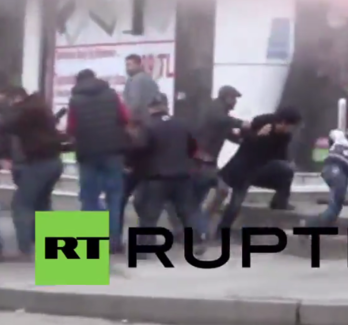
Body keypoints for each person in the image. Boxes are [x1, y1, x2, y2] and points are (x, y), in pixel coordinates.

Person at [131, 93, 205, 256]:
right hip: (182, 176)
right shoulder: (182, 124)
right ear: (166, 106)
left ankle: (144, 248)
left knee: (149, 213)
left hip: (157, 177)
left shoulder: (148, 126)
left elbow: (140, 148)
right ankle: (197, 243)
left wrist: (136, 167)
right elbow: (193, 148)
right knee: (187, 211)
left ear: (150, 108)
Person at [66, 69, 130, 253]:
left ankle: (92, 242)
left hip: (87, 153)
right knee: (115, 197)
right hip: (113, 151)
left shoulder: (75, 100)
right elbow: (125, 118)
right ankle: (114, 242)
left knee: (89, 197)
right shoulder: (112, 95)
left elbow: (72, 127)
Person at [215, 107, 302, 235]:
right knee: (236, 202)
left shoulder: (285, 136)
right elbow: (244, 141)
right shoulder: (262, 122)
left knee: (287, 171)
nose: (292, 130)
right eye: (291, 126)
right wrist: (258, 135)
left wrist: (287, 163)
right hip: (243, 169)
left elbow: (281, 155)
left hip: (261, 169)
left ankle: (279, 202)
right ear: (284, 122)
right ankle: (221, 232)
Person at [0, 87, 63, 260]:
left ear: (17, 99)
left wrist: (7, 107)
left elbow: (6, 124)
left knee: (21, 204)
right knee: (41, 203)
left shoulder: (26, 111)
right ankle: (49, 247)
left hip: (38, 164)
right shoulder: (39, 107)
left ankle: (25, 250)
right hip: (53, 162)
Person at [193, 86, 249, 232]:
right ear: (227, 97)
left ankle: (197, 229)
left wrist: (245, 139)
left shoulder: (221, 114)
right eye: (234, 98)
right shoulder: (215, 108)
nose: (235, 102)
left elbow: (229, 134)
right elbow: (221, 120)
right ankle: (199, 230)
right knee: (219, 190)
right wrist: (241, 123)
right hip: (201, 161)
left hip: (207, 161)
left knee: (202, 197)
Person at [122, 54, 160, 123]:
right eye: (126, 65)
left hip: (138, 120)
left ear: (138, 65)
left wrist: (129, 119)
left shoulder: (135, 80)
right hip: (150, 118)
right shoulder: (148, 78)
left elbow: (134, 102)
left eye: (129, 65)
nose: (127, 68)